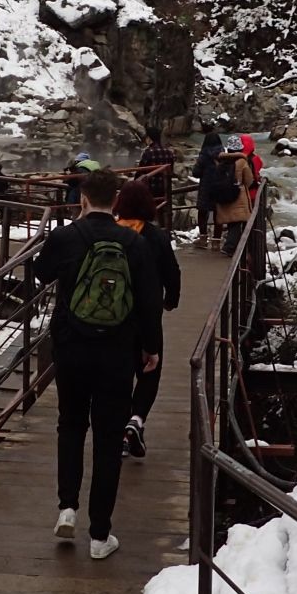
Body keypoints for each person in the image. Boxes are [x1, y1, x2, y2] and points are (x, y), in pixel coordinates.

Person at [31, 168, 162, 558]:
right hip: (118, 352)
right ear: (116, 200)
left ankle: (67, 508)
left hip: (71, 346)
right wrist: (150, 348)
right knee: (108, 438)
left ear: (84, 198)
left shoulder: (67, 236)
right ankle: (100, 536)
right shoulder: (133, 242)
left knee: (70, 424)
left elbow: (41, 273)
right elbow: (149, 300)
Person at [112, 181, 180, 460]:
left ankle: (121, 433)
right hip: (147, 316)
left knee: (119, 376)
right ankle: (136, 420)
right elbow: (172, 272)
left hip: (114, 317)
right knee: (150, 369)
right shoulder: (156, 236)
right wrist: (171, 300)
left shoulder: (111, 233)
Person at [214, 138, 256, 255]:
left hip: (223, 195)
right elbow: (249, 180)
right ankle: (230, 248)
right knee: (236, 223)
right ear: (240, 148)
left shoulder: (221, 161)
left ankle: (231, 245)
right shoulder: (241, 162)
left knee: (231, 222)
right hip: (238, 197)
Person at [191, 123, 225, 248]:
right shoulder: (223, 155)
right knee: (218, 213)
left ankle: (203, 239)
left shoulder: (204, 155)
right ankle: (216, 241)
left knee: (202, 212)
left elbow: (196, 172)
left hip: (206, 187)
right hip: (220, 187)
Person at [138, 125, 175, 229]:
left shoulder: (148, 152)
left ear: (149, 138)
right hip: (164, 188)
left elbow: (141, 171)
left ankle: (149, 230)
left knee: (150, 211)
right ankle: (164, 229)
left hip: (151, 188)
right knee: (162, 210)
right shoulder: (168, 152)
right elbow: (171, 171)